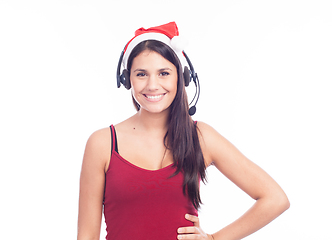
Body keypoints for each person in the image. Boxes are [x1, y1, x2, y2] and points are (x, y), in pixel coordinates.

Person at [77, 22, 290, 240]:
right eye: (141, 74)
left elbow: (274, 198)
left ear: (181, 77)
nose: (152, 85)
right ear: (126, 79)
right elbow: (86, 236)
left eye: (163, 73)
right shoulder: (102, 143)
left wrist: (214, 239)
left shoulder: (200, 137)